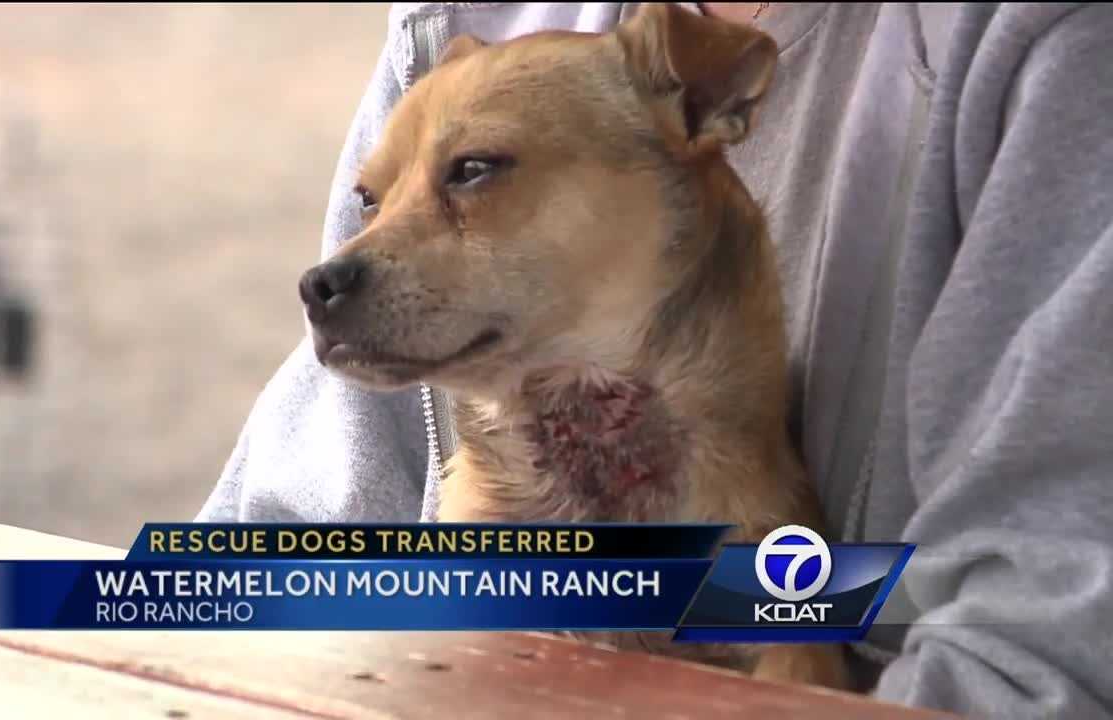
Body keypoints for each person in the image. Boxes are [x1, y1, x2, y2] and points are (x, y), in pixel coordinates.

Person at [198, 3, 1113, 717]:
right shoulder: (471, 25)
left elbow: (1045, 645)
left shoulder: (1049, 46)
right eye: (374, 199)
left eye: (474, 171)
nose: (348, 260)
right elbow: (262, 576)